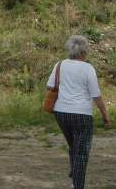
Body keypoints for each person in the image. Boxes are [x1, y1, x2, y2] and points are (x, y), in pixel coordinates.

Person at [47, 35, 110, 189]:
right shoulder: (88, 68)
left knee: (74, 147)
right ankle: (77, 184)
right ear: (83, 52)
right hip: (82, 114)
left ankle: (74, 173)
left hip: (61, 113)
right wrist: (105, 114)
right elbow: (96, 95)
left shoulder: (59, 65)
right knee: (81, 153)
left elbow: (50, 86)